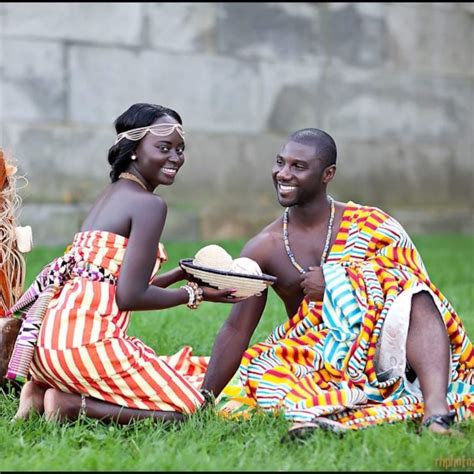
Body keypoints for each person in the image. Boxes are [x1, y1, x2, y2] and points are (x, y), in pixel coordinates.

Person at [201, 128, 473, 439]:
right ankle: (315, 420)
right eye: (280, 162)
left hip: (383, 347)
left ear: (327, 173)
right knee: (267, 372)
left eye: (298, 166)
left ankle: (436, 416)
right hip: (318, 355)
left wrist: (336, 281)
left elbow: (411, 282)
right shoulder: (264, 246)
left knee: (415, 294)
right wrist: (203, 399)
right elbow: (237, 329)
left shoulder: (371, 223)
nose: (283, 174)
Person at [4, 103, 245, 424]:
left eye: (180, 149)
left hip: (48, 349)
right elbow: (130, 297)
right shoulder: (149, 205)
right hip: (84, 348)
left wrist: (177, 275)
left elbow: (110, 287)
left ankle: (40, 392)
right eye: (164, 147)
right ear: (133, 150)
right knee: (190, 408)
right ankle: (69, 405)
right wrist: (196, 294)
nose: (176, 157)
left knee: (166, 380)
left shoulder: (111, 196)